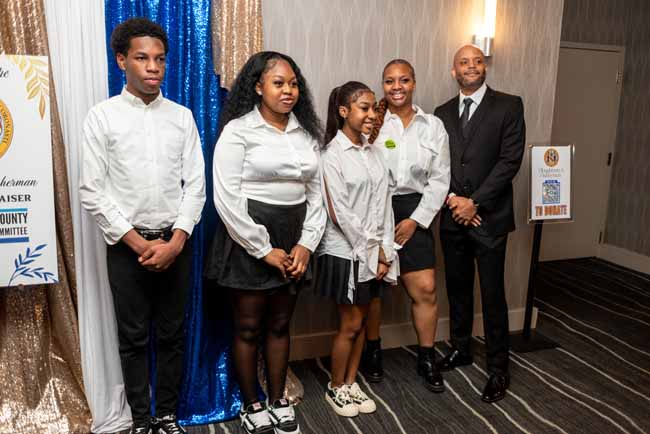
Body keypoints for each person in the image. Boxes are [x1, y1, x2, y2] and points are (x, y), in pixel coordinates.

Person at [80, 18, 205, 434]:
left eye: (160, 59)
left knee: (172, 334)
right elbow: (92, 191)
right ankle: (140, 419)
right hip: (126, 247)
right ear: (122, 61)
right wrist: (138, 244)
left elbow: (196, 187)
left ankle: (167, 416)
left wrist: (175, 242)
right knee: (133, 339)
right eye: (142, 58)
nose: (153, 67)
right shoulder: (102, 118)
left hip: (176, 243)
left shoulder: (182, 117)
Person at [205, 51, 325, 434]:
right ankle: (251, 402)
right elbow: (226, 198)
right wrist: (262, 248)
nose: (288, 90)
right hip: (248, 235)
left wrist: (306, 244)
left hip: (294, 235)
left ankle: (277, 399)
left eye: (293, 84)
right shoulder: (239, 131)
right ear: (258, 87)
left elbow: (317, 194)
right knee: (248, 328)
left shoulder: (305, 134)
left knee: (279, 324)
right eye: (278, 83)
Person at [433, 45, 526, 403]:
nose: (471, 66)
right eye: (463, 62)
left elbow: (509, 161)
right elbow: (438, 163)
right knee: (457, 288)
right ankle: (461, 348)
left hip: (488, 218)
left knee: (492, 295)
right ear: (453, 71)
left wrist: (476, 202)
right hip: (453, 216)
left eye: (476, 61)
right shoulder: (441, 112)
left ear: (484, 67)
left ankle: (499, 368)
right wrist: (455, 201)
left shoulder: (508, 105)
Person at [364, 59, 450, 392]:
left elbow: (441, 179)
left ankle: (426, 356)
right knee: (373, 287)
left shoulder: (433, 126)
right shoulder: (373, 121)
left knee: (425, 288)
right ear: (382, 85)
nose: (396, 86)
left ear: (414, 83)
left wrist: (416, 220)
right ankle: (372, 350)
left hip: (416, 210)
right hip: (376, 206)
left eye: (403, 80)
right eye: (389, 81)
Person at [316, 81, 399, 418]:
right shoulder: (330, 155)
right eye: (364, 108)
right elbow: (340, 213)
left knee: (363, 322)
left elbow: (385, 205)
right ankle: (336, 387)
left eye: (373, 108)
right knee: (350, 324)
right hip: (344, 252)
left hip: (374, 251)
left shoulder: (375, 152)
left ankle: (351, 382)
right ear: (343, 111)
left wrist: (386, 250)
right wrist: (371, 250)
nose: (371, 114)